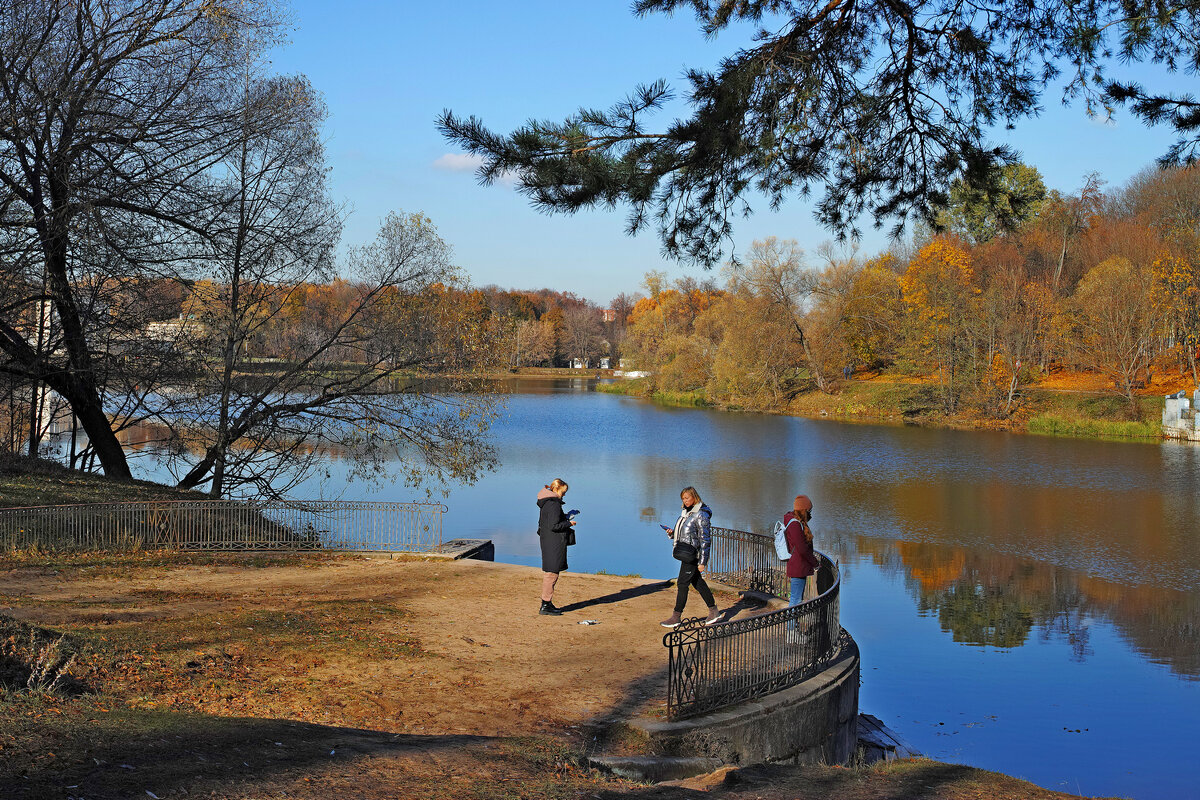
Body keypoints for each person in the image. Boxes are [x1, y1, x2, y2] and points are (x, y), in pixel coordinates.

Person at [661, 486, 721, 628]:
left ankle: (676, 616)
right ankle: (714, 610)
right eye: (683, 498)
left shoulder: (701, 514)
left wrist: (702, 562)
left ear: (694, 497)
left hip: (693, 555)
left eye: (687, 498)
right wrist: (672, 533)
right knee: (697, 582)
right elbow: (685, 533)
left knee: (682, 583)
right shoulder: (686, 513)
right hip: (686, 552)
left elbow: (705, 540)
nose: (685, 501)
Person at [782, 494, 820, 642]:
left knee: (796, 599)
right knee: (795, 601)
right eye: (809, 511)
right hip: (798, 567)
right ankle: (791, 633)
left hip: (799, 566)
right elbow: (802, 548)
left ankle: (794, 631)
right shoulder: (795, 524)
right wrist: (815, 563)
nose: (810, 514)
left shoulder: (796, 522)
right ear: (804, 510)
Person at [536, 478, 575, 616]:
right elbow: (554, 525)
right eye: (563, 492)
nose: (564, 495)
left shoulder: (547, 503)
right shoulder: (553, 504)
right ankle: (545, 604)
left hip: (549, 541)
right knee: (551, 574)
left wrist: (565, 517)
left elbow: (549, 521)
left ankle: (547, 603)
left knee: (552, 573)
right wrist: (569, 524)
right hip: (553, 543)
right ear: (556, 489)